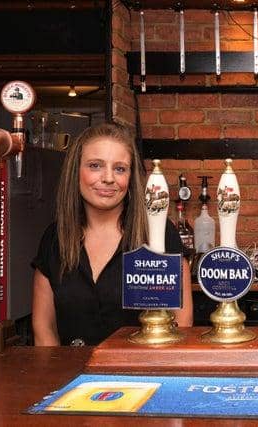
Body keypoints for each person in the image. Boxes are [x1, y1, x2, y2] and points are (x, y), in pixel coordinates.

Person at [32, 123, 193, 346]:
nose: (108, 178)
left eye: (120, 169)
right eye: (95, 165)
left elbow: (181, 323)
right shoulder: (55, 238)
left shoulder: (158, 232)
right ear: (75, 170)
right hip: (72, 376)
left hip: (141, 377)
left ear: (130, 177)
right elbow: (44, 328)